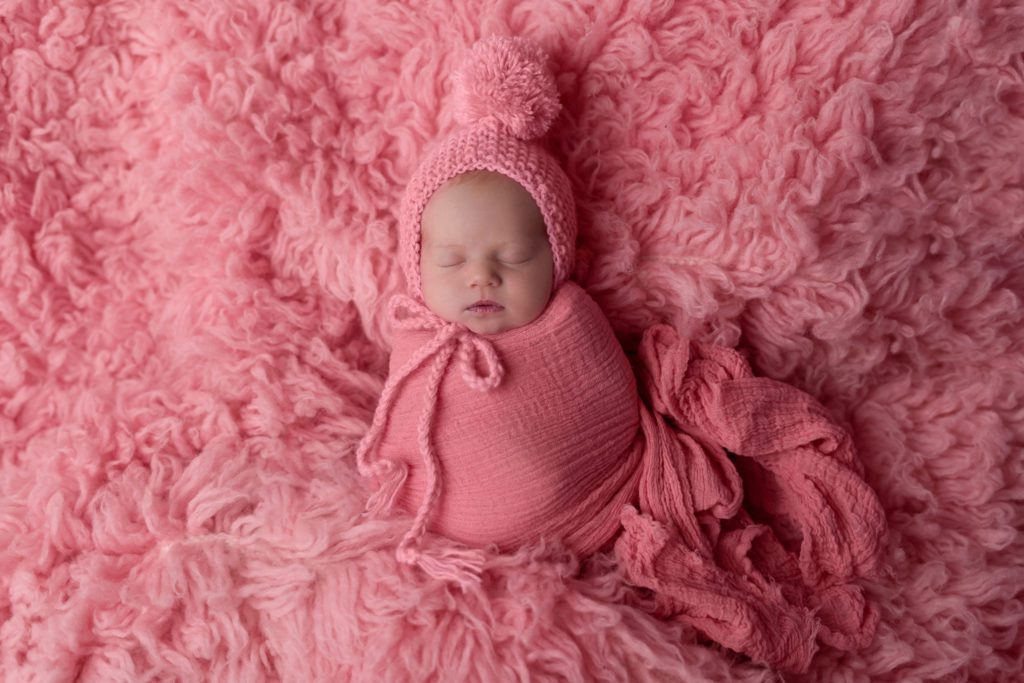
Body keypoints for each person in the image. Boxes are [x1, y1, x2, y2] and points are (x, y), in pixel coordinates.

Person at [354, 35, 887, 674]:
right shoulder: (415, 341)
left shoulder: (571, 325)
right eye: (451, 260)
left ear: (557, 258)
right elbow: (404, 443)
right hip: (448, 568)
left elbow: (609, 415)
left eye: (514, 257)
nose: (481, 277)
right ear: (416, 265)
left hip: (595, 529)